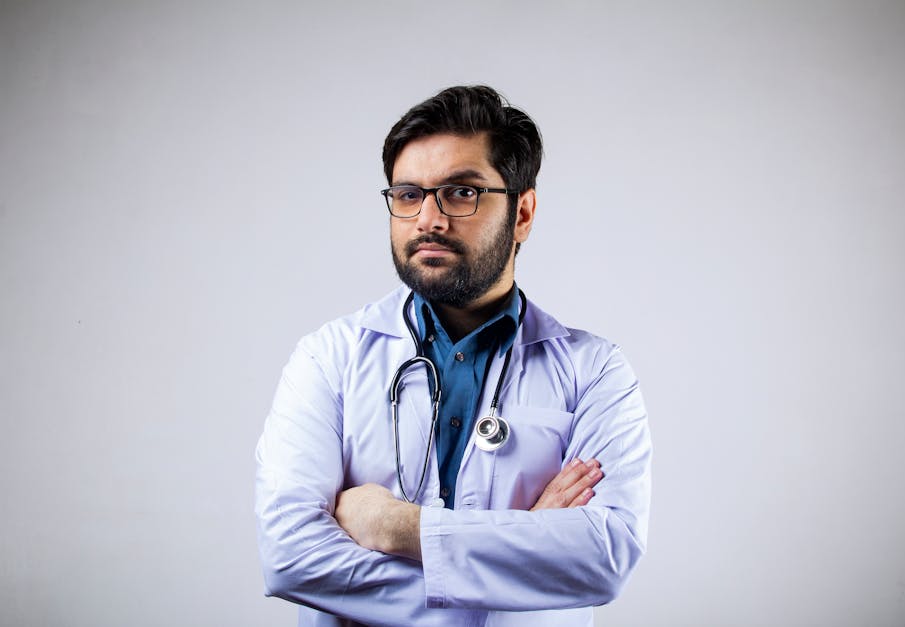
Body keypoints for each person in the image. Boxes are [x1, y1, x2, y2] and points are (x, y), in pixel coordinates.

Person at [255, 85, 652, 626]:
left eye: (461, 193)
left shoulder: (594, 371)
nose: (428, 219)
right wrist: (521, 552)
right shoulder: (330, 358)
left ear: (523, 212)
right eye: (408, 194)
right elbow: (291, 558)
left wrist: (397, 528)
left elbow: (603, 559)